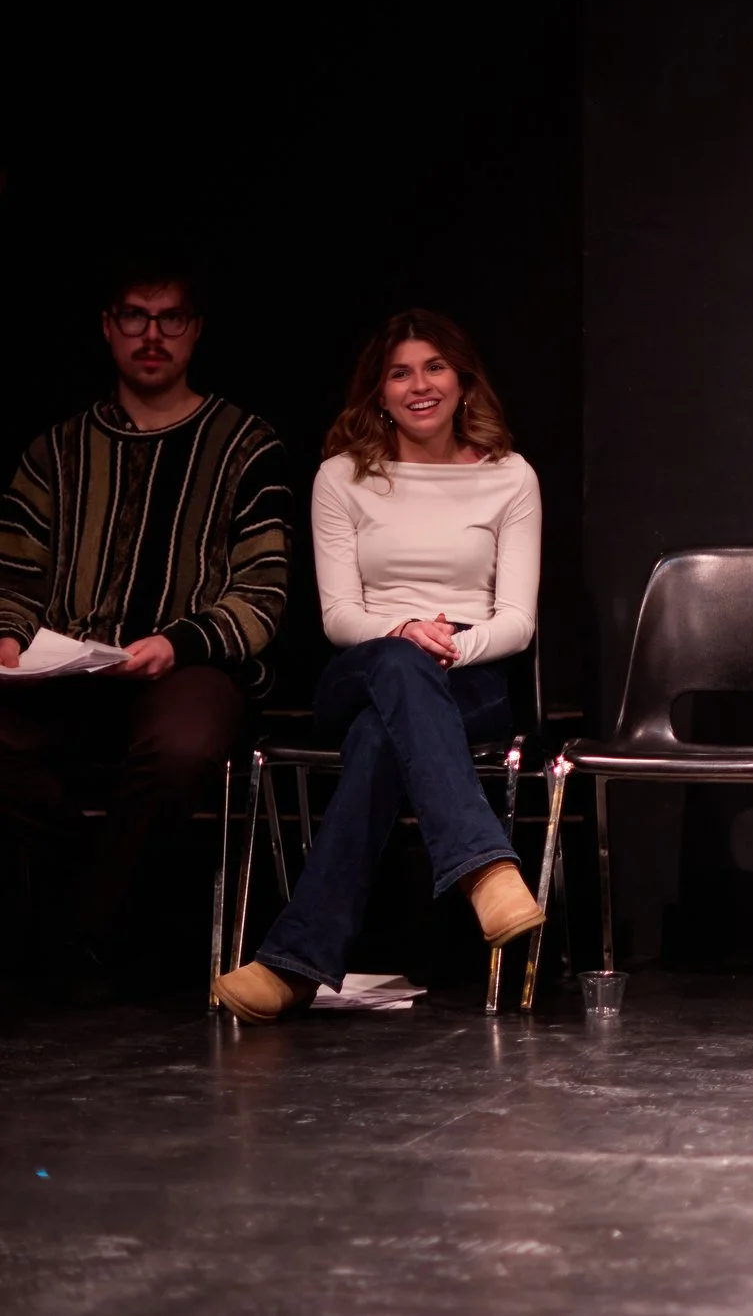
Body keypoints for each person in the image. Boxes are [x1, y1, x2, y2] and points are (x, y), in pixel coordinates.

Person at [211, 311, 544, 1021]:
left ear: (462, 381)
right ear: (379, 391)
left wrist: (450, 643)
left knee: (378, 741)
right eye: (400, 372)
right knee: (395, 667)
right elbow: (338, 615)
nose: (419, 385)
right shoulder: (341, 477)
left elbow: (516, 619)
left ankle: (293, 963)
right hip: (365, 660)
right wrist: (404, 632)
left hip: (470, 668)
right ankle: (485, 866)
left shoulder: (510, 477)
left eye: (434, 368)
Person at [0, 262, 290, 995]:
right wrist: (7, 635)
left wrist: (179, 641)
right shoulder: (56, 452)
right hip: (65, 667)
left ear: (195, 330)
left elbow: (263, 589)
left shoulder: (243, 445)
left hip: (186, 664)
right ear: (108, 326)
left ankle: (84, 933)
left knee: (182, 746)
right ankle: (91, 901)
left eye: (171, 318)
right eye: (135, 316)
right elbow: (14, 572)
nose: (152, 334)